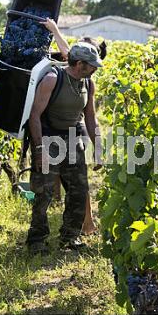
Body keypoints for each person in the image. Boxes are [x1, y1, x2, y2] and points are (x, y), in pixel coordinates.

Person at [25, 37, 103, 254]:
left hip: (72, 139)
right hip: (48, 138)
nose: (95, 70)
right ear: (79, 65)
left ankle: (70, 237)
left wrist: (98, 149)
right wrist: (39, 150)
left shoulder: (88, 83)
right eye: (92, 66)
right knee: (44, 193)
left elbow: (90, 117)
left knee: (79, 190)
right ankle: (37, 240)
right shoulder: (52, 79)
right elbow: (34, 116)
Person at [43, 18, 106, 236]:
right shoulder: (73, 68)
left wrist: (98, 148)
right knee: (68, 180)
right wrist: (55, 30)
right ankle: (80, 223)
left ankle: (85, 224)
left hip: (77, 127)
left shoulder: (88, 77)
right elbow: (67, 53)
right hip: (61, 130)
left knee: (80, 181)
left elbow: (91, 116)